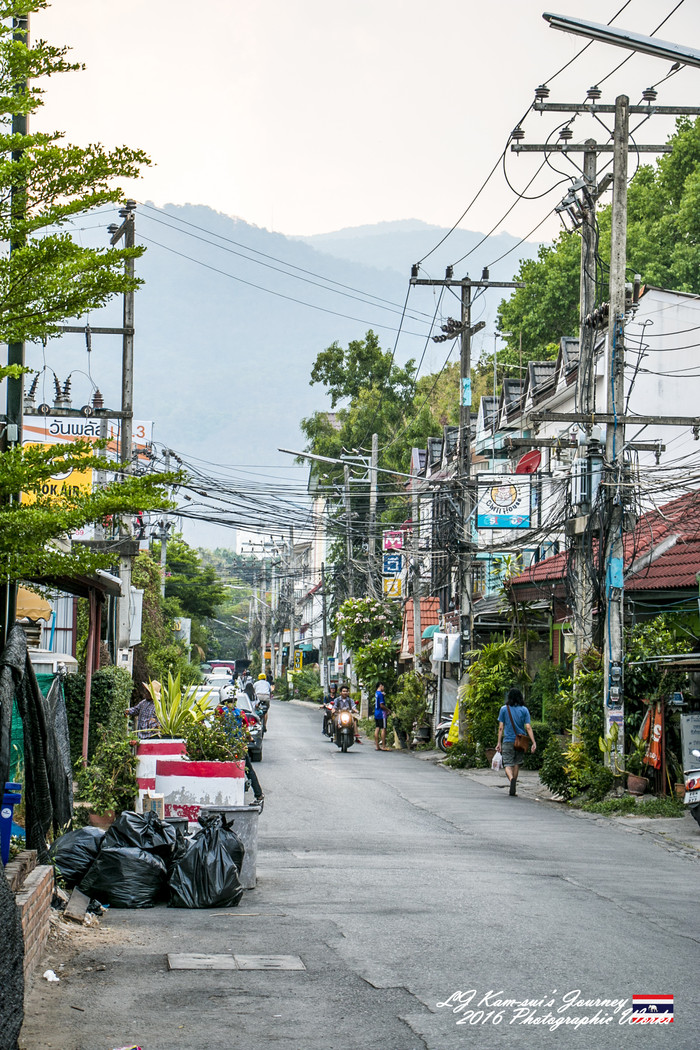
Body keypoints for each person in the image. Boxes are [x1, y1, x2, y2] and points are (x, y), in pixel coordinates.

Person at [220, 696, 264, 805]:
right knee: (248, 770)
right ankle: (258, 794)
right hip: (239, 746)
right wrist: (250, 739)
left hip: (225, 747)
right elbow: (246, 731)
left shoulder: (221, 712)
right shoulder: (240, 713)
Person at [496, 686, 536, 796]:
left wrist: (499, 742)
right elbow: (528, 727)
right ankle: (514, 783)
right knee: (517, 763)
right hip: (520, 742)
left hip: (508, 740)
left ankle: (511, 779)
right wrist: (533, 742)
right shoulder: (524, 710)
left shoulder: (504, 709)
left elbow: (501, 728)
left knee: (507, 764)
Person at [374, 682, 390, 751]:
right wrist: (388, 710)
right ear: (380, 686)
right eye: (383, 686)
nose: (383, 688)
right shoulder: (380, 694)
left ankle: (377, 746)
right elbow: (381, 705)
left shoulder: (376, 693)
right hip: (382, 714)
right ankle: (383, 746)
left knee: (377, 728)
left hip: (376, 713)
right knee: (383, 728)